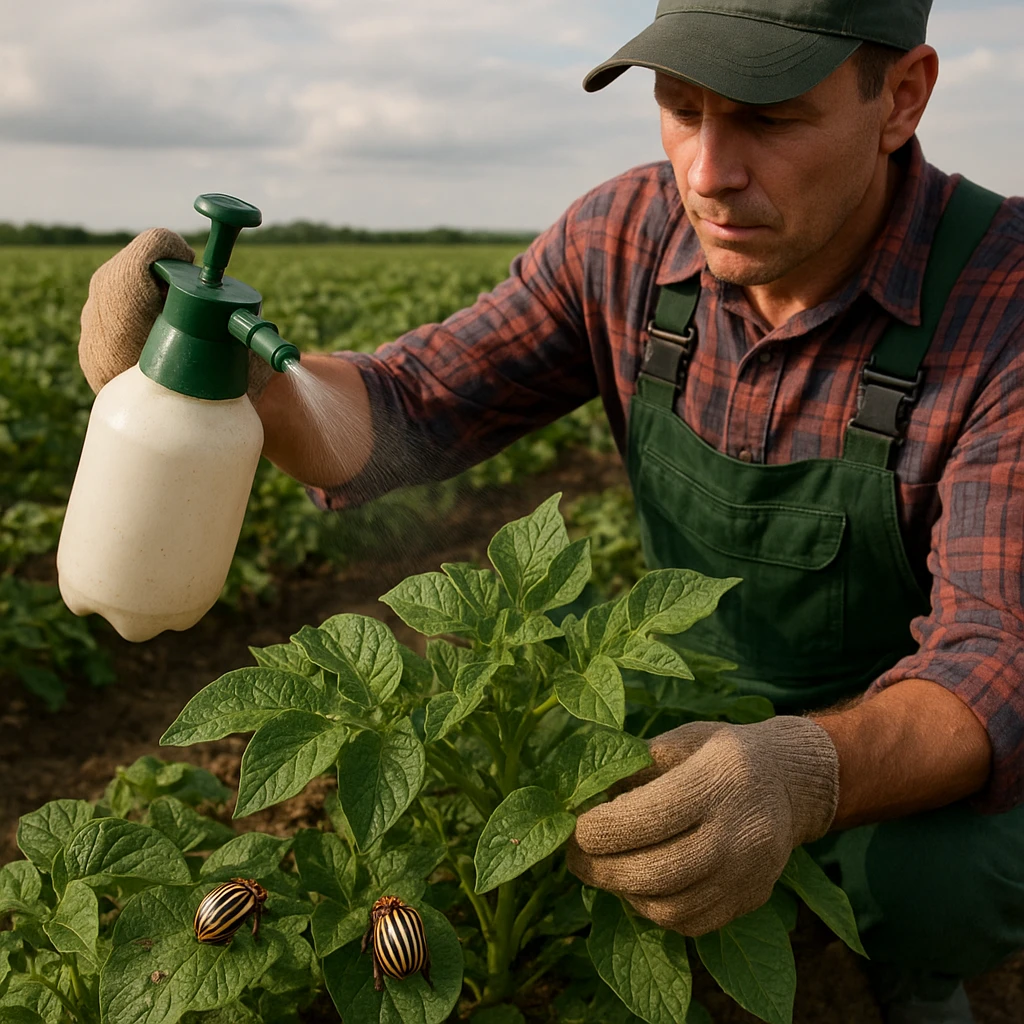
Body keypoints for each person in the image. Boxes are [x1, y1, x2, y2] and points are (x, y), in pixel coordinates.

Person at [78, 1, 1024, 1020]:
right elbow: (408, 404)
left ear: (902, 97)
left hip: (904, 708)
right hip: (703, 672)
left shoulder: (999, 298)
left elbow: (994, 660)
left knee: (935, 888)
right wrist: (245, 379)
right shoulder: (623, 239)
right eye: (680, 107)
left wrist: (804, 770)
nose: (708, 171)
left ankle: (918, 980)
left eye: (771, 117)